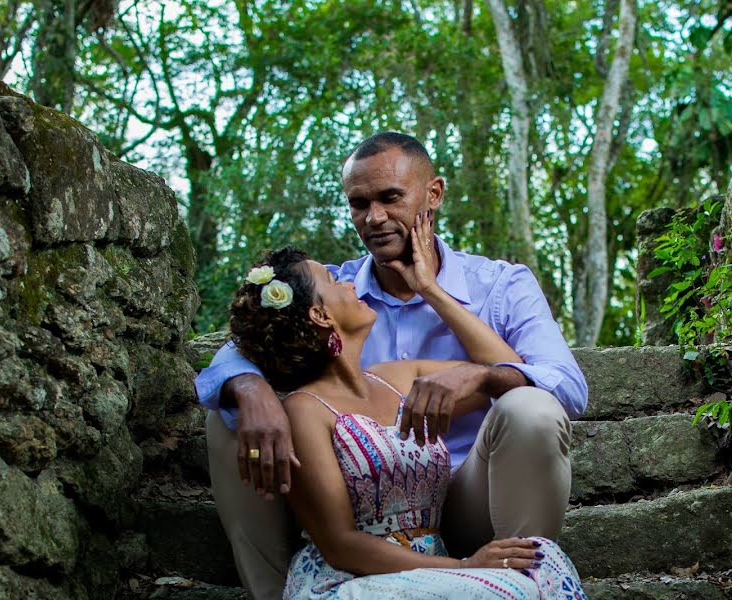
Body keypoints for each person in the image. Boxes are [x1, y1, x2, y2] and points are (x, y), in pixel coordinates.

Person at [195, 132, 588, 598]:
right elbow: (246, 341)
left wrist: (438, 300)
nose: (374, 217)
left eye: (390, 198)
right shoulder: (335, 291)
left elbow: (563, 387)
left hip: (470, 495)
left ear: (433, 194)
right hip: (357, 516)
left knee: (530, 408)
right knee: (229, 415)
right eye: (359, 203)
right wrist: (252, 391)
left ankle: (522, 579)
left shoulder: (500, 285)